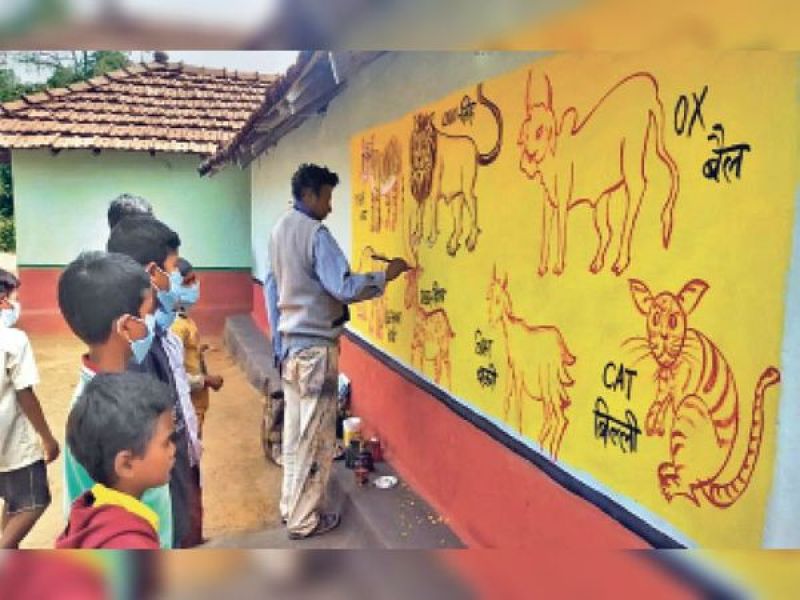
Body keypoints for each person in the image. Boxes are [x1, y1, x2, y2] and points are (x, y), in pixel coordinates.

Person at [265, 163, 409, 539]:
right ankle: (304, 520)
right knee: (315, 440)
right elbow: (342, 287)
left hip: (291, 348)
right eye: (327, 197)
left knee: (296, 436)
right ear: (310, 195)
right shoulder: (316, 234)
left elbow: (269, 287)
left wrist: (278, 343)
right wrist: (385, 277)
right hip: (315, 349)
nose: (330, 206)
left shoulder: (279, 230)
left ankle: (289, 508)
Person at [58, 250, 175, 548]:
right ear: (125, 326)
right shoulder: (93, 411)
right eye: (147, 315)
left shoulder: (120, 392)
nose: (151, 323)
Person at [107, 214, 197, 547]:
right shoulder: (135, 350)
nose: (177, 277)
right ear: (151, 273)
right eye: (172, 270)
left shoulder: (155, 330)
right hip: (160, 478)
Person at [57, 372, 175, 549]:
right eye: (166, 443)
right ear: (126, 464)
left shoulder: (90, 510)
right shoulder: (129, 543)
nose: (173, 450)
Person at [0, 269, 59, 548]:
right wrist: (47, 438)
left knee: (15, 499)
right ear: (2, 301)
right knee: (34, 501)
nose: (16, 305)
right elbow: (25, 392)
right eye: (15, 298)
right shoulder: (12, 340)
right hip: (10, 441)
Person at [170, 258, 224, 439]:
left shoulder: (185, 319)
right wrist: (206, 380)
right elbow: (175, 376)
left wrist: (197, 351)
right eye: (188, 282)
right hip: (187, 410)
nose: (194, 286)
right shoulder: (176, 326)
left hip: (196, 408)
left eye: (195, 280)